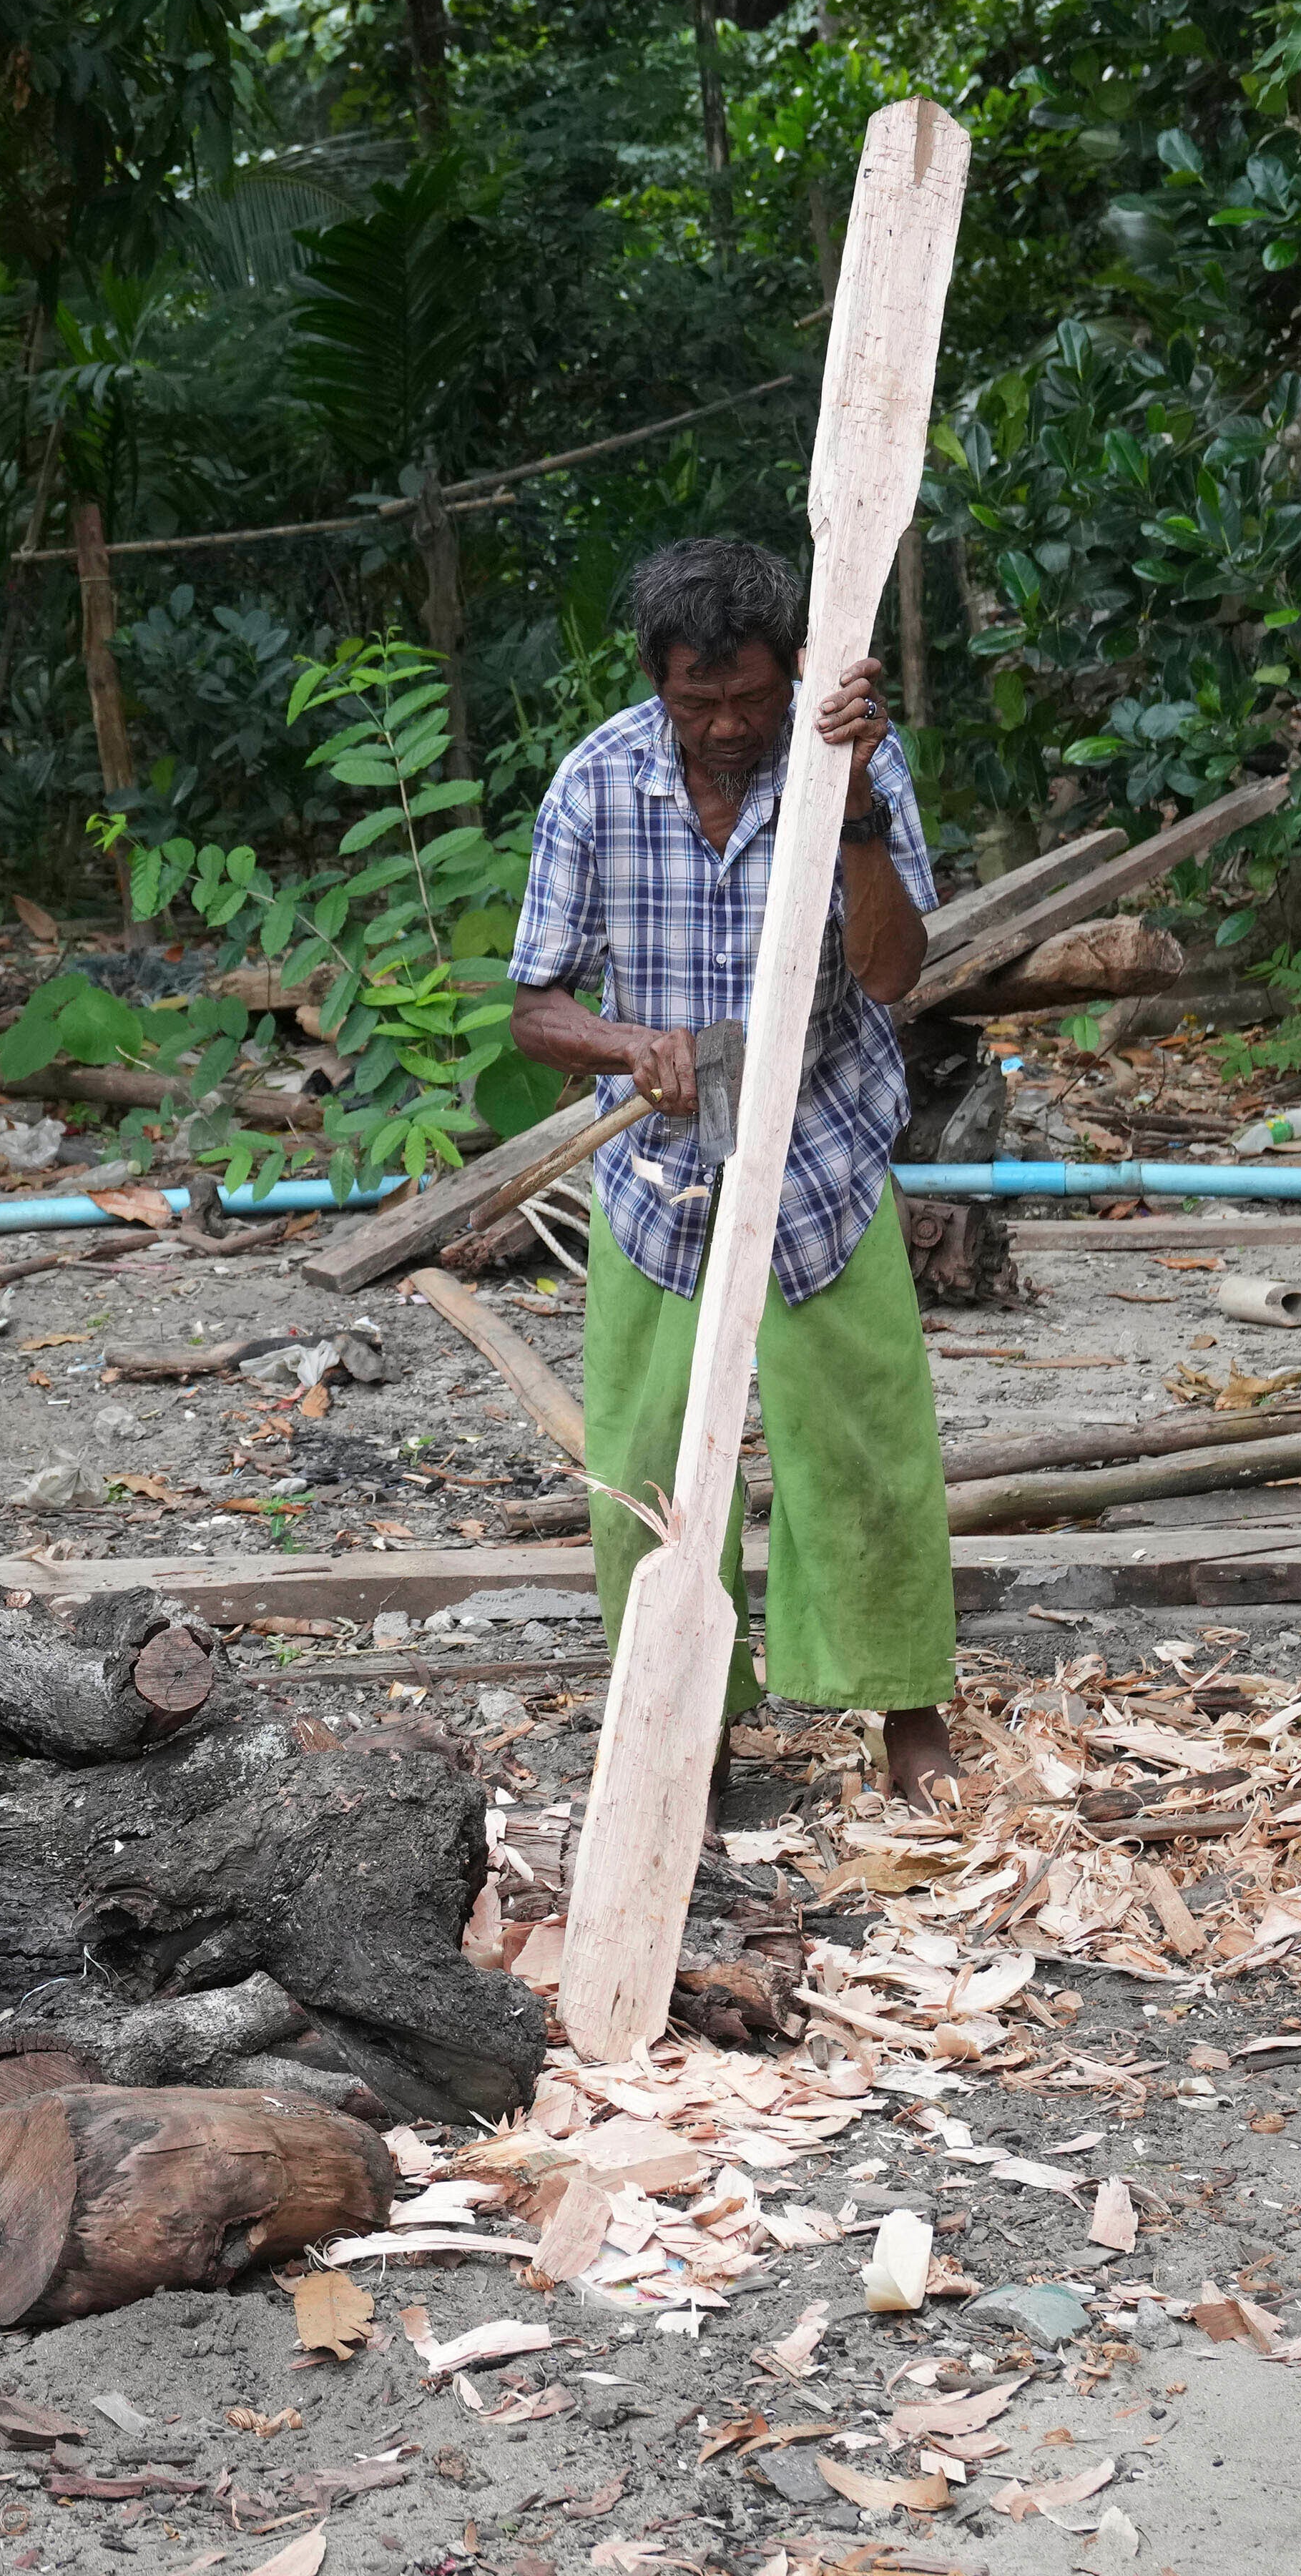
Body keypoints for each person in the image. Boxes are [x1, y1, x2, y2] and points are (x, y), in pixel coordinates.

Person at [500, 535, 963, 1805]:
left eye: (751, 699)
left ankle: (903, 1708)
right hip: (660, 1172)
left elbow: (891, 975)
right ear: (657, 681)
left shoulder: (848, 766)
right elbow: (534, 1010)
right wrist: (628, 1043)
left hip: (819, 1153)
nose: (725, 727)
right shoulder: (597, 783)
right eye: (697, 702)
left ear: (794, 672)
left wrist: (858, 801)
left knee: (861, 1445)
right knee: (642, 1466)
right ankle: (682, 1715)